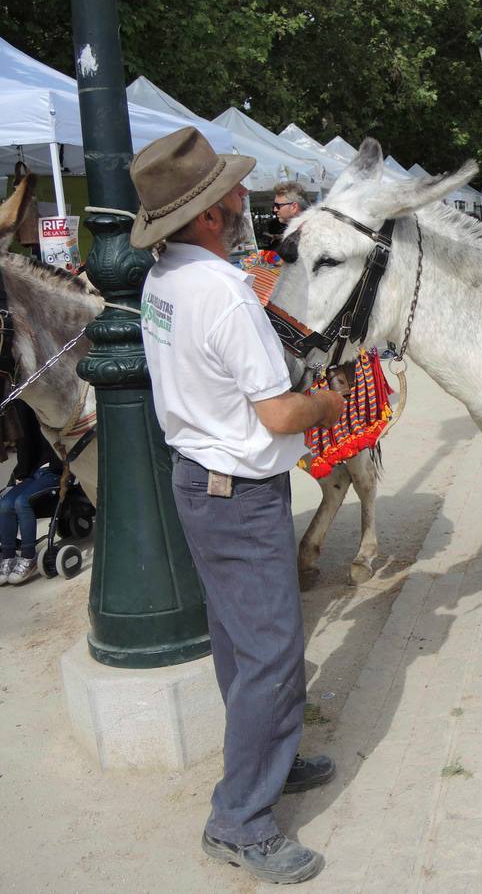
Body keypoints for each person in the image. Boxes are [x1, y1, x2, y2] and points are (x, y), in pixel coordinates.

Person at [130, 127, 346, 886]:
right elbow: (278, 414)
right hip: (239, 490)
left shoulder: (162, 280)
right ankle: (240, 821)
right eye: (230, 191)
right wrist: (326, 399)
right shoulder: (221, 291)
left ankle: (268, 760)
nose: (242, 198)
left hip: (201, 479)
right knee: (272, 656)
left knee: (239, 645)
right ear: (210, 215)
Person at [0, 402, 62, 586]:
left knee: (21, 502)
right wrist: (21, 473)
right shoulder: (24, 412)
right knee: (4, 504)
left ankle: (29, 556)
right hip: (33, 472)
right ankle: (8, 556)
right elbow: (25, 447)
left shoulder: (52, 414)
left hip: (52, 471)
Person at [266, 181, 308, 252]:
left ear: (294, 207)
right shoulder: (298, 229)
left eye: (278, 206)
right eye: (274, 205)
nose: (275, 209)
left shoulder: (309, 231)